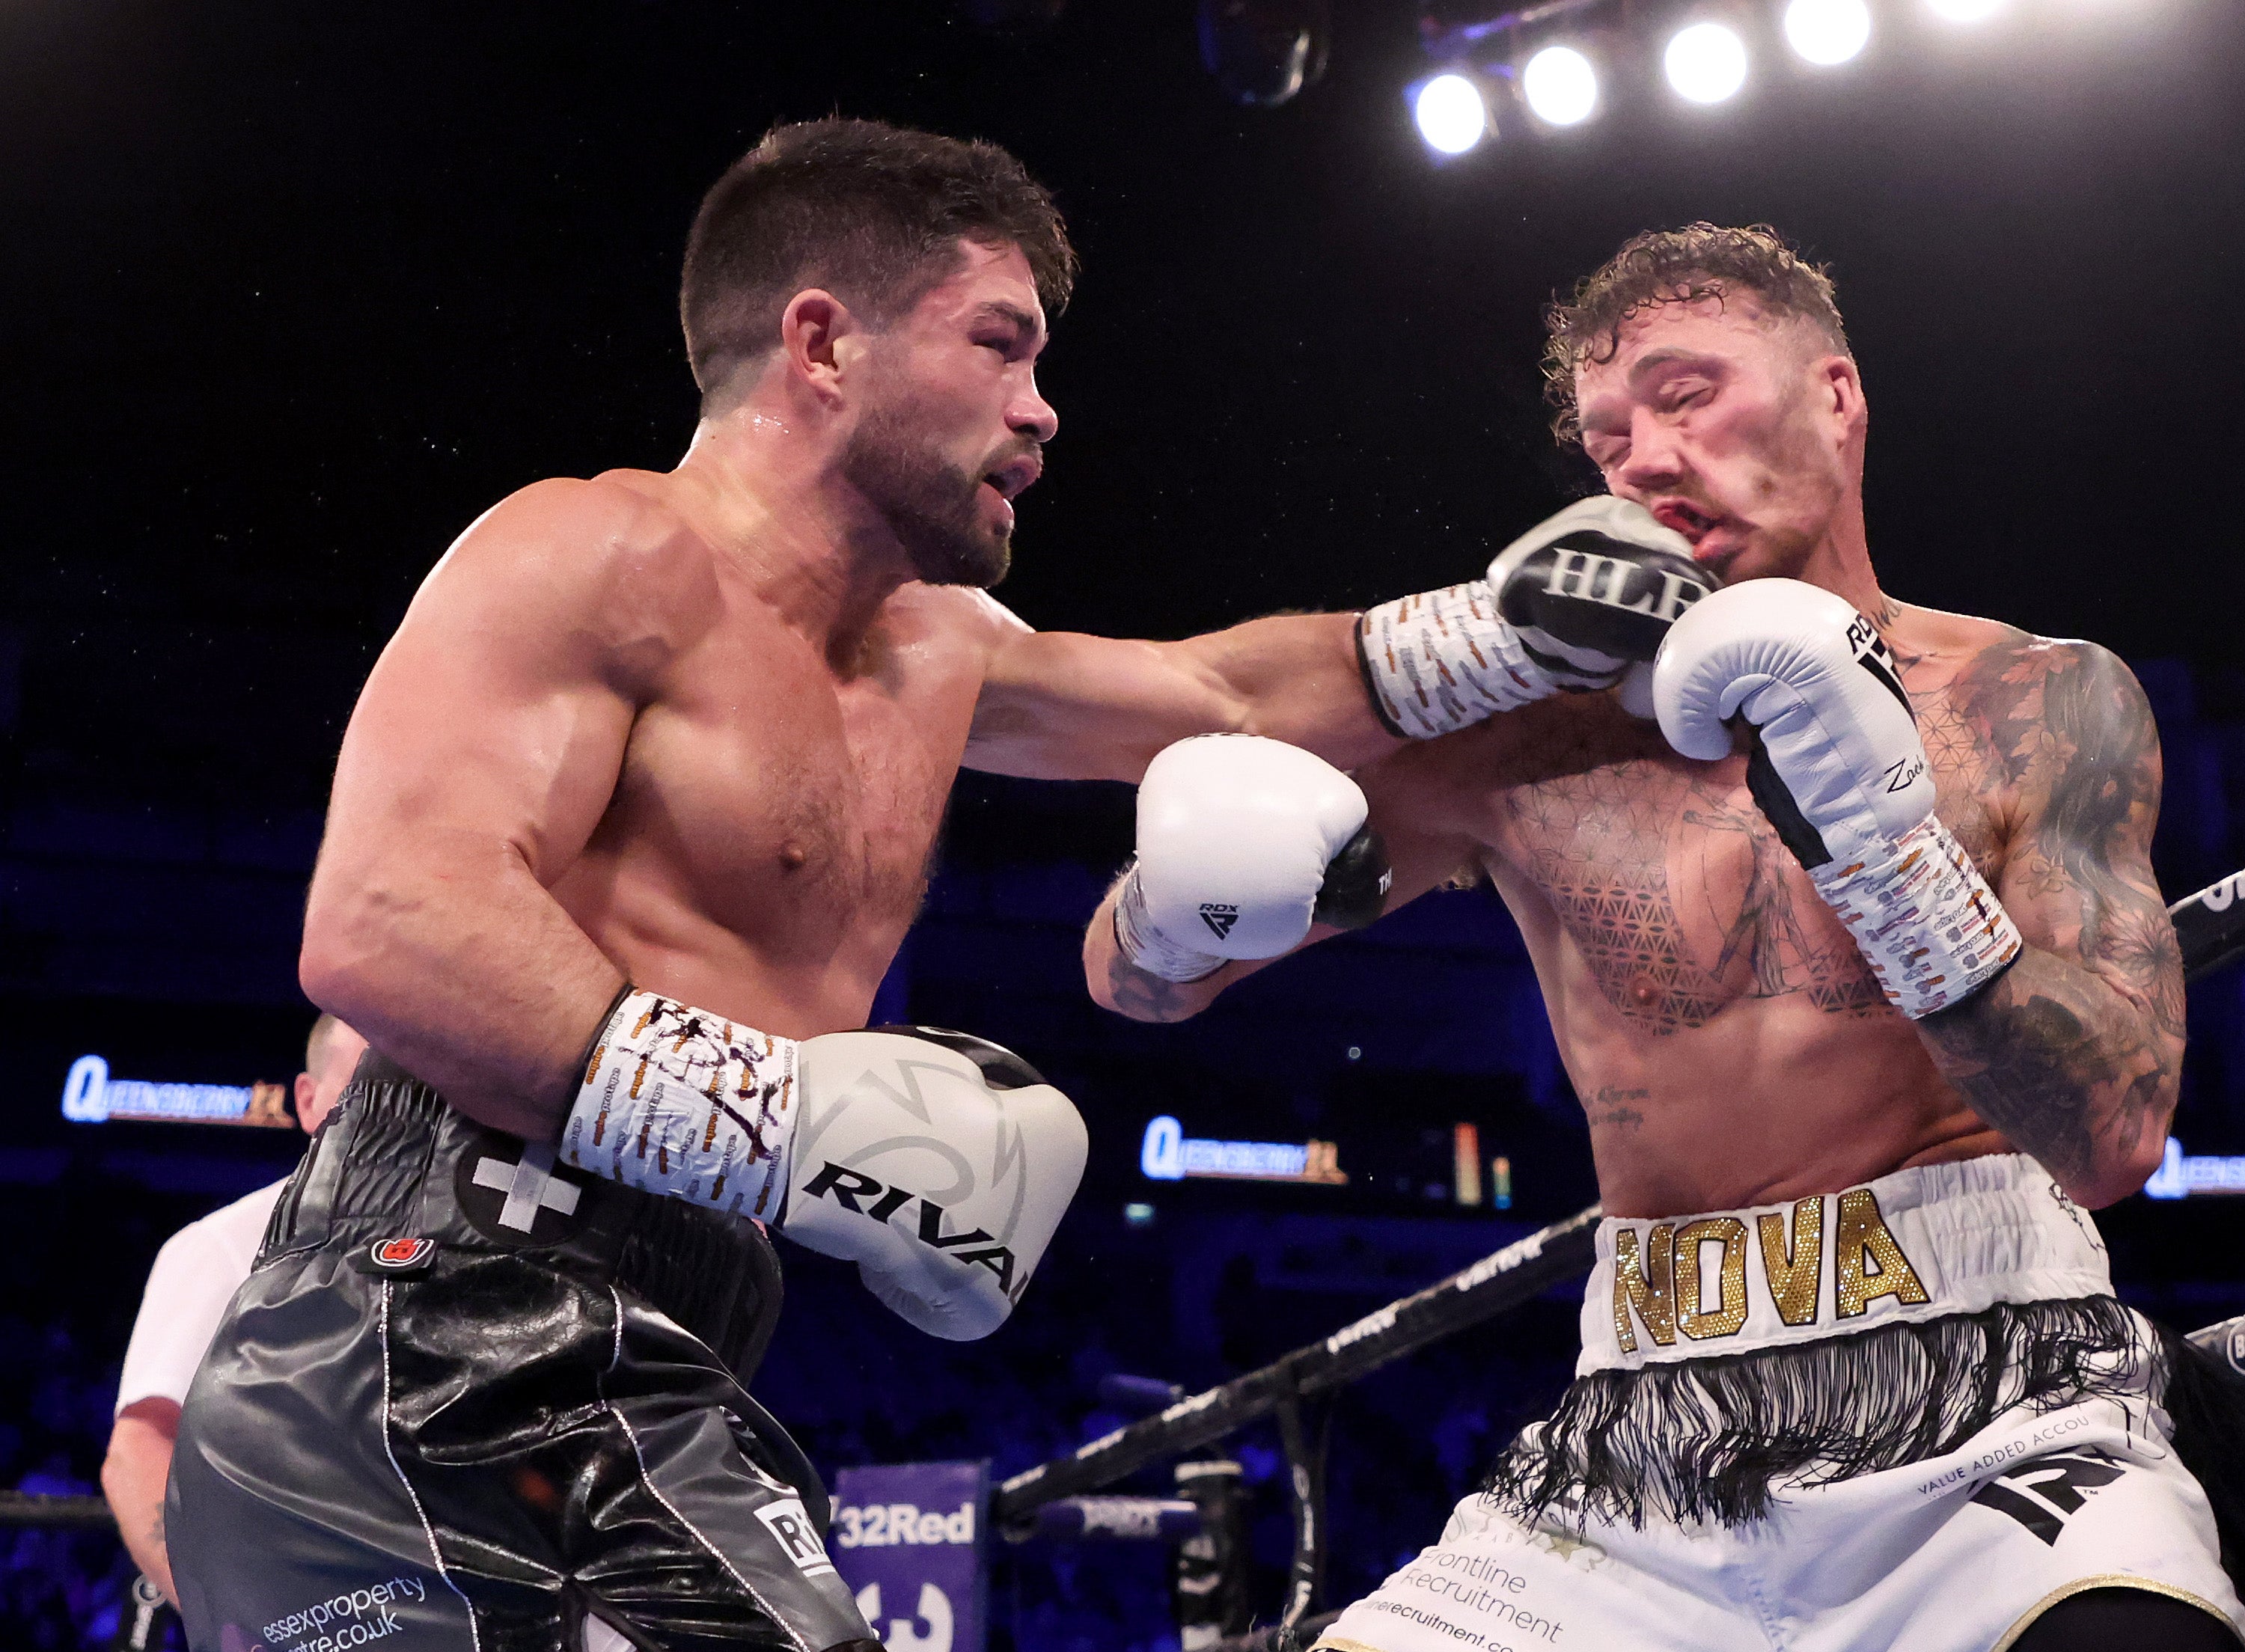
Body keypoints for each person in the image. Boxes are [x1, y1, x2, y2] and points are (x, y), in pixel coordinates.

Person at [166, 114, 1611, 1652]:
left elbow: (1218, 691)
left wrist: (1506, 630)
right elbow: (386, 926)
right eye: (1000, 346)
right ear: (822, 344)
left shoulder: (935, 653)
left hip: (646, 1352)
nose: (1041, 411)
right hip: (430, 1326)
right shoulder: (593, 552)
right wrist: (788, 1124)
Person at [1084, 226, 2245, 1651]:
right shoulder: (1526, 747)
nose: (1642, 459)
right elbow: (1140, 986)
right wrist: (1170, 894)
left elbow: (2110, 1135)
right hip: (1640, 1445)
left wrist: (1881, 846)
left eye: (1686, 396)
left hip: (2002, 1410)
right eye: (1610, 434)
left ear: (1835, 397)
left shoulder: (2030, 700)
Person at [101, 1014, 365, 1609]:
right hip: (311, 1612)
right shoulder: (225, 1246)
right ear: (307, 1100)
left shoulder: (472, 1239)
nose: (389, 1111)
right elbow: (139, 1452)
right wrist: (237, 1621)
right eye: (363, 1085)